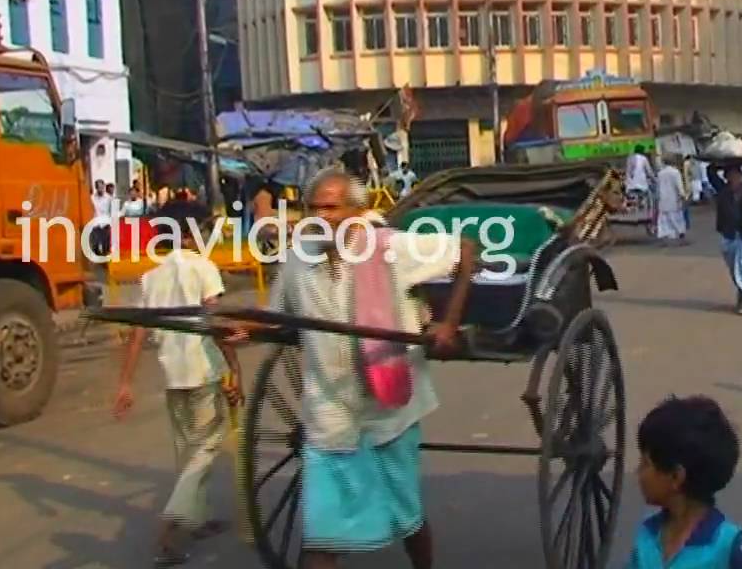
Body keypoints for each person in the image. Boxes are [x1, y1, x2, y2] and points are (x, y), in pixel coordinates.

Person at [262, 168, 475, 569]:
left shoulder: (390, 247)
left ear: (358, 211)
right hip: (329, 415)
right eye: (313, 208)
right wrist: (236, 325)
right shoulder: (297, 261)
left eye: (332, 207)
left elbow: (465, 249)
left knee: (407, 518)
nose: (321, 217)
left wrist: (448, 322)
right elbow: (278, 319)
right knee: (319, 542)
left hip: (388, 410)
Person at [112, 200, 242, 567]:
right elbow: (217, 326)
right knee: (205, 451)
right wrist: (236, 370)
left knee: (188, 452)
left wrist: (125, 383)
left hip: (174, 377)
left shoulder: (152, 277)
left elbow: (138, 332)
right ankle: (168, 531)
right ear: (188, 233)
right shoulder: (204, 268)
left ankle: (195, 520)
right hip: (203, 373)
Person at [626, 395, 742, 569]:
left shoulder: (731, 546)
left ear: (676, 477)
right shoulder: (648, 534)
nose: (638, 472)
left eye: (646, 464)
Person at [707, 163, 742, 315]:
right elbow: (710, 172)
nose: (735, 178)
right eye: (731, 174)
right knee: (734, 269)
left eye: (738, 174)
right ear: (727, 176)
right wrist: (722, 162)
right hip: (728, 235)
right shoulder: (722, 189)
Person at [655, 155, 688, 246]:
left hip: (663, 200)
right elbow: (679, 186)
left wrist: (657, 199)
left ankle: (664, 239)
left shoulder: (660, 173)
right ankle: (681, 237)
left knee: (663, 220)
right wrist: (683, 196)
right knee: (677, 219)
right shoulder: (675, 172)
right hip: (673, 199)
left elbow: (658, 188)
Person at [90, 179, 113, 257]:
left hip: (105, 224)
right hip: (96, 224)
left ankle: (105, 264)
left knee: (106, 247)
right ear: (96, 187)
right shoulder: (92, 198)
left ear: (104, 186)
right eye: (98, 187)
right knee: (95, 246)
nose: (100, 189)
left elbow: (112, 210)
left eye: (101, 187)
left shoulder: (109, 198)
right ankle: (98, 264)